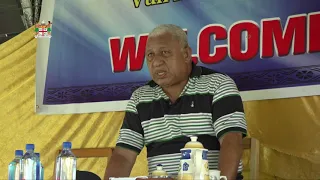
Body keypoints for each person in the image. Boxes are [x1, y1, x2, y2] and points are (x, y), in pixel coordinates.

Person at [104, 24, 247, 180]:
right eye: (150, 55)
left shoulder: (218, 85)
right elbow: (124, 154)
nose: (156, 62)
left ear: (186, 54)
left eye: (164, 53)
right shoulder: (140, 98)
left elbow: (231, 140)